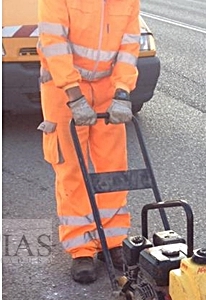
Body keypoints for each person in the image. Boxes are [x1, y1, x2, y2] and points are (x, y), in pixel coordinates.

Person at [38, 0, 140, 284]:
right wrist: (74, 94)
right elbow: (54, 43)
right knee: (72, 170)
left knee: (114, 169)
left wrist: (122, 91)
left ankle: (113, 240)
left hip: (108, 85)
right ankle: (81, 248)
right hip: (63, 87)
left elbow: (129, 46)